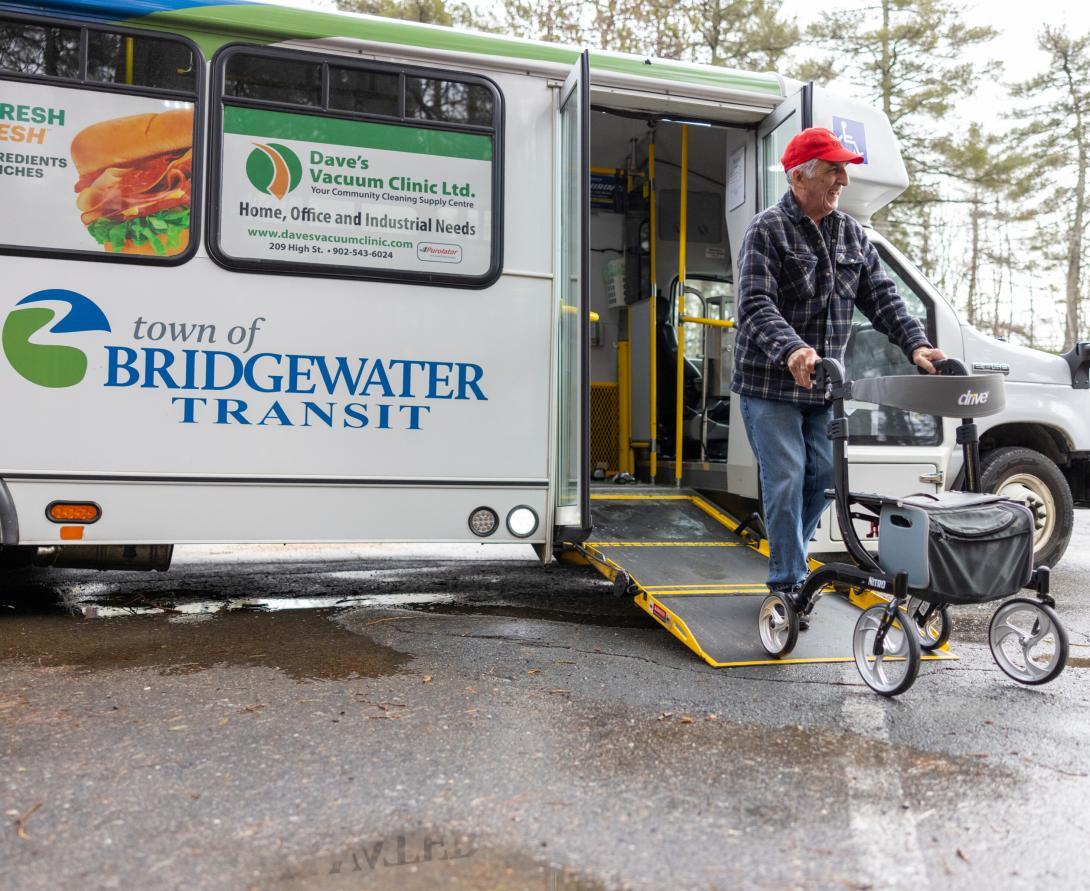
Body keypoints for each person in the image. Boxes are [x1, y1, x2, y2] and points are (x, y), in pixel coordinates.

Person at [730, 127, 945, 622]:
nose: (843, 179)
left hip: (824, 384)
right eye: (833, 169)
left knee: (823, 476)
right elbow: (756, 303)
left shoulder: (850, 234)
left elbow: (883, 299)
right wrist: (793, 349)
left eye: (844, 169)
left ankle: (792, 553)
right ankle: (787, 583)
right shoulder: (767, 229)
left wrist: (916, 345)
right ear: (799, 175)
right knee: (785, 477)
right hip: (771, 384)